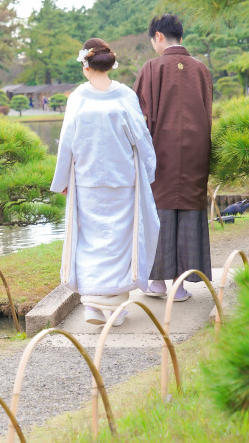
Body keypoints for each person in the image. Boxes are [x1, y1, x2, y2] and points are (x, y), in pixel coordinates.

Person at [51, 38, 160, 326]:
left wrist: (62, 180)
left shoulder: (78, 97)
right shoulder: (124, 96)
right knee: (120, 243)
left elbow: (67, 145)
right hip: (122, 180)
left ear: (86, 66)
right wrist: (149, 172)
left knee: (89, 242)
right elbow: (141, 138)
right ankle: (115, 307)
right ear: (110, 64)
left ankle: (93, 307)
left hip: (88, 181)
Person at [133, 14, 214, 302]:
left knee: (159, 211)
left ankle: (157, 282)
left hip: (160, 153)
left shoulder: (152, 68)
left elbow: (139, 119)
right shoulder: (201, 69)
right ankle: (181, 286)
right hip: (196, 152)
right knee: (189, 210)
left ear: (158, 37)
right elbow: (208, 113)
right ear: (180, 35)